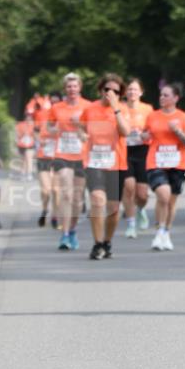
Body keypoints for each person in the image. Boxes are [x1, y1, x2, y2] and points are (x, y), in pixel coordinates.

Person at [83, 74, 129, 260]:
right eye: (107, 89)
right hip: (94, 162)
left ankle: (107, 241)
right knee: (97, 200)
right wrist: (81, 136)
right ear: (100, 90)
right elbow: (80, 126)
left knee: (113, 209)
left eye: (115, 91)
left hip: (115, 163)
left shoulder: (122, 109)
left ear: (120, 94)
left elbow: (125, 131)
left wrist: (115, 109)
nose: (110, 93)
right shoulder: (90, 109)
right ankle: (97, 243)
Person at [144, 83, 185, 250]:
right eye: (161, 95)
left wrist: (177, 131)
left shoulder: (184, 117)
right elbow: (145, 135)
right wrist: (144, 136)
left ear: (176, 98)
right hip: (156, 161)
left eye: (166, 95)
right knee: (163, 195)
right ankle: (159, 230)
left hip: (177, 163)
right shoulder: (152, 116)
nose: (162, 98)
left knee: (171, 200)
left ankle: (166, 231)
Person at [47, 73, 90, 251]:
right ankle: (64, 235)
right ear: (65, 89)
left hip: (81, 155)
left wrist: (79, 125)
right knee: (66, 194)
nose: (72, 89)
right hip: (63, 153)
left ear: (80, 87)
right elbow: (49, 127)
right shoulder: (57, 108)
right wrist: (54, 129)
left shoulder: (88, 106)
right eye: (69, 86)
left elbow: (92, 130)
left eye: (75, 86)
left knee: (78, 200)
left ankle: (72, 230)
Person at [121, 78, 153, 238]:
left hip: (143, 151)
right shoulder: (120, 108)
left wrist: (147, 134)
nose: (132, 92)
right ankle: (131, 224)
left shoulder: (147, 109)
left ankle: (141, 209)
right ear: (125, 92)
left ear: (141, 92)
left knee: (142, 194)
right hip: (124, 151)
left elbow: (153, 128)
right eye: (129, 89)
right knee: (128, 187)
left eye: (135, 89)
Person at [34, 90, 61, 228]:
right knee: (46, 189)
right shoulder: (42, 115)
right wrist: (40, 141)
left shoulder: (64, 115)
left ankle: (55, 216)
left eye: (57, 102)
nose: (55, 104)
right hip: (43, 156)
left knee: (56, 190)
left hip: (59, 157)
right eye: (53, 102)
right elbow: (35, 131)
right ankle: (45, 210)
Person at [15, 112, 36, 180]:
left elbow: (37, 134)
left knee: (29, 158)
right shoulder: (20, 124)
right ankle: (23, 173)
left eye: (30, 116)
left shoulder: (34, 124)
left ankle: (29, 174)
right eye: (28, 116)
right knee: (23, 159)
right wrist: (22, 134)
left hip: (30, 144)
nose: (29, 117)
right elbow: (17, 134)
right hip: (22, 144)